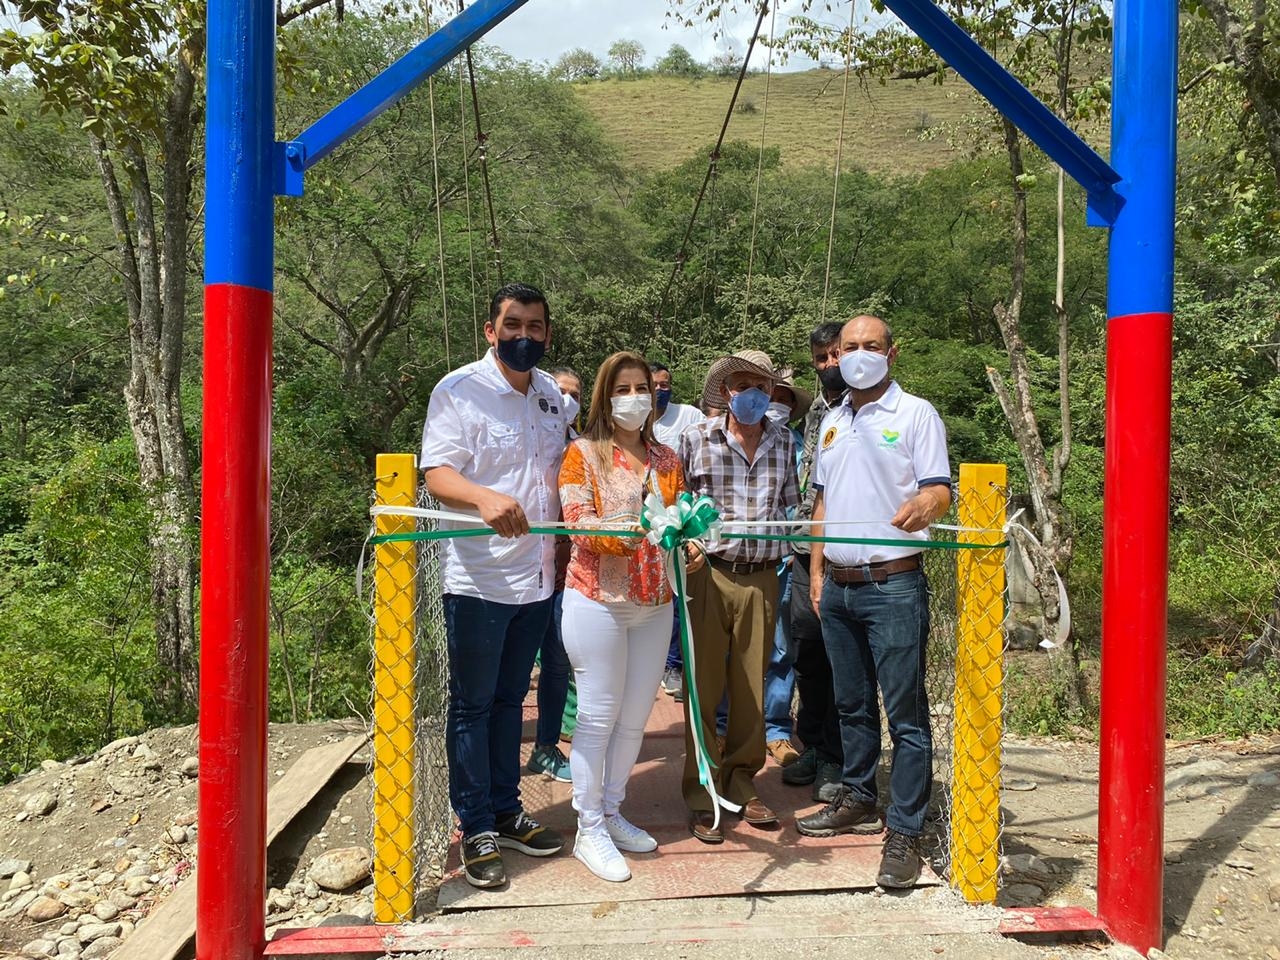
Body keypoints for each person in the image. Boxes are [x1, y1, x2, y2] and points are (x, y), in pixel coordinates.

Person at [796, 315, 952, 892]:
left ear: (892, 351)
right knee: (851, 705)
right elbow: (822, 503)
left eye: (870, 346)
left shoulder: (916, 414)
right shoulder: (832, 421)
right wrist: (816, 573)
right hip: (836, 586)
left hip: (893, 585)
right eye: (849, 348)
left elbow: (940, 487)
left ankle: (906, 829)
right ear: (836, 355)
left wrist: (928, 505)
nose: (858, 355)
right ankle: (858, 795)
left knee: (906, 714)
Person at [420, 282, 568, 889]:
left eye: (535, 327)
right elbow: (436, 472)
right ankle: (475, 822)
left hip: (537, 577)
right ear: (491, 330)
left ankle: (507, 810)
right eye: (513, 326)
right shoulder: (458, 391)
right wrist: (482, 497)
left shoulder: (553, 396)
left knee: (513, 703)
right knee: (473, 706)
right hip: (478, 580)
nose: (524, 337)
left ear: (547, 334)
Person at [558, 351, 701, 882]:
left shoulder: (667, 459)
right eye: (623, 389)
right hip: (598, 599)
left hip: (654, 602)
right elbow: (577, 525)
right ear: (605, 396)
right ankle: (587, 826)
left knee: (635, 716)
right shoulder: (582, 455)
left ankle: (613, 812)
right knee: (597, 715)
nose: (636, 397)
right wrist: (629, 532)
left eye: (643, 387)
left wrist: (689, 546)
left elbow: (682, 518)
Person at [678, 350, 799, 844]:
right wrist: (684, 542)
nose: (752, 393)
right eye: (742, 383)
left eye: (761, 385)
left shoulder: (782, 441)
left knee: (750, 685)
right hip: (708, 571)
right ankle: (701, 791)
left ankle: (743, 782)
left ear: (771, 393)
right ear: (726, 390)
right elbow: (677, 502)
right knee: (703, 687)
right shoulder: (694, 440)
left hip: (763, 574)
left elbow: (792, 505)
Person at [783, 322, 848, 802]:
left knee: (844, 660)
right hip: (807, 549)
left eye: (836, 355)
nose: (830, 366)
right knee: (808, 656)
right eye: (821, 359)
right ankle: (815, 744)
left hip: (849, 553)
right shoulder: (818, 414)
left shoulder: (870, 410)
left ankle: (840, 759)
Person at [525, 366, 583, 782]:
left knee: (559, 664)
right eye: (560, 392)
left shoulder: (583, 451)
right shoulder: (527, 442)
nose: (567, 400)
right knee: (510, 673)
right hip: (520, 572)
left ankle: (546, 747)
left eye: (575, 394)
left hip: (565, 575)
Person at [650, 362, 705, 700]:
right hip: (641, 528)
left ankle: (675, 665)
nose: (660, 389)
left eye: (666, 383)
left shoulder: (688, 415)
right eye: (653, 384)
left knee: (676, 597)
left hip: (677, 522)